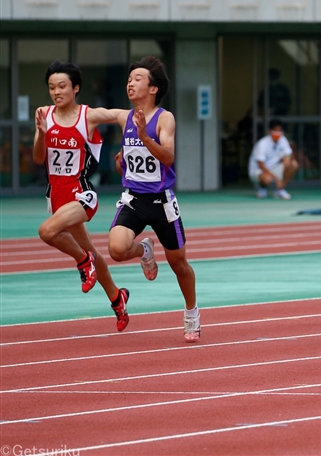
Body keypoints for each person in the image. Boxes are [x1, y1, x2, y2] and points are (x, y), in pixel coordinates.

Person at [107, 56, 201, 343]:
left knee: (179, 264)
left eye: (137, 78)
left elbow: (169, 158)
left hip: (161, 202)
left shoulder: (165, 118)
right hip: (133, 198)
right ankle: (145, 251)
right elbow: (96, 113)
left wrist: (146, 138)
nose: (130, 83)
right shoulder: (125, 117)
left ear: (153, 88)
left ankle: (192, 313)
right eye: (129, 79)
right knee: (117, 249)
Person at [33, 60, 130, 332]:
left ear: (75, 88)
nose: (56, 91)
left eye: (62, 86)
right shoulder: (44, 114)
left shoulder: (88, 116)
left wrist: (127, 146)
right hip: (57, 197)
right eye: (52, 87)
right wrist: (41, 135)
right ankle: (117, 298)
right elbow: (39, 158)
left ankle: (82, 261)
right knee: (92, 252)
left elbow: (123, 115)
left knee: (47, 231)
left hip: (82, 194)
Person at [248, 119, 299, 200]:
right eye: (275, 130)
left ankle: (279, 190)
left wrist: (287, 158)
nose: (278, 133)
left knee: (294, 164)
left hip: (274, 168)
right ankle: (262, 189)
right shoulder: (262, 144)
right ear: (270, 131)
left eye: (280, 130)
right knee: (267, 179)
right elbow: (261, 165)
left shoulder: (283, 140)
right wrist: (276, 179)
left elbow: (290, 155)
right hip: (259, 171)